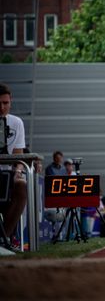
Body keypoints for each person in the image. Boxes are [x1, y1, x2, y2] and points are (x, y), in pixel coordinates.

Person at [0, 83, 27, 251]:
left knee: (22, 185)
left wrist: (18, 172)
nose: (2, 107)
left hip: (7, 177)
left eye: (5, 103)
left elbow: (19, 156)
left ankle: (4, 239)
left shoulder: (16, 122)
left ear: (10, 102)